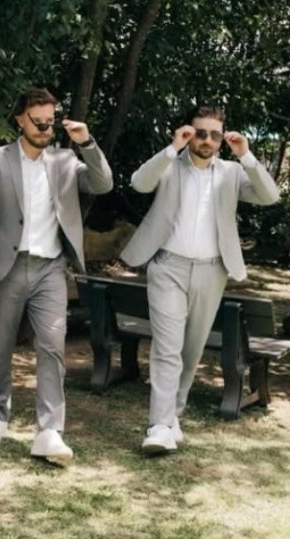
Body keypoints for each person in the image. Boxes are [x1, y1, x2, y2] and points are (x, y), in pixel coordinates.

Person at [119, 105, 278, 453]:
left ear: (222, 139)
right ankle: (159, 425)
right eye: (200, 133)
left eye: (214, 135)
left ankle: (173, 414)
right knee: (167, 347)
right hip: (168, 267)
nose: (207, 140)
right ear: (188, 132)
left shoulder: (232, 173)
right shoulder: (169, 165)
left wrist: (247, 155)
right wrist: (172, 148)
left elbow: (270, 196)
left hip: (212, 271)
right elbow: (139, 183)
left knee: (191, 349)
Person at [0, 87, 112, 466]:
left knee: (52, 347)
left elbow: (103, 184)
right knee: (0, 343)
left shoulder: (66, 160)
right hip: (7, 266)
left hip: (51, 268)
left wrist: (87, 143)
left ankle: (49, 430)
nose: (45, 128)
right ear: (20, 119)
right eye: (38, 122)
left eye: (50, 122)